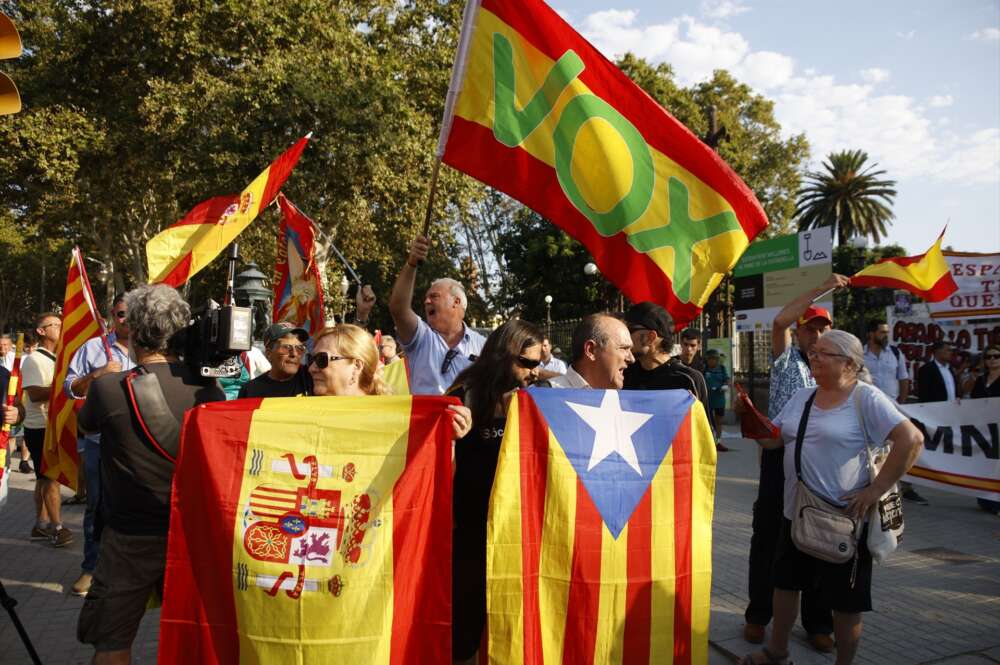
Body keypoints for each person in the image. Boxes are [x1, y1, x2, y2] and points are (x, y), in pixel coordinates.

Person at [742, 330, 923, 665]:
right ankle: (777, 651)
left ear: (849, 364)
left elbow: (911, 440)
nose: (814, 358)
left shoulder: (865, 398)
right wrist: (753, 423)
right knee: (784, 584)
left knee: (845, 602)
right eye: (813, 352)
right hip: (795, 513)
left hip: (844, 520)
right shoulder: (803, 397)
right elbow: (774, 440)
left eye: (824, 353)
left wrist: (875, 490)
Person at [76, 284, 225, 664]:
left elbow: (85, 425)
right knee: (194, 638)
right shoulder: (209, 391)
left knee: (112, 642)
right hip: (190, 534)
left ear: (137, 332)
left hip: (129, 537)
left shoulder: (109, 388)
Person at [742, 273, 849, 652]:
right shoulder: (787, 361)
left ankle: (817, 622)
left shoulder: (837, 374)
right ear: (800, 333)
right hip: (778, 459)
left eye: (824, 330)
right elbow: (779, 321)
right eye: (811, 330)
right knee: (768, 539)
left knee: (818, 539)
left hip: (818, 466)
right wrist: (823, 286)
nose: (817, 337)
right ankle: (758, 615)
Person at [447, 319, 544, 664]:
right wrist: (454, 438)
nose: (535, 372)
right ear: (504, 356)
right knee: (466, 622)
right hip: (472, 531)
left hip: (519, 533)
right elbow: (435, 465)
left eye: (539, 364)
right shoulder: (464, 395)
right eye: (528, 363)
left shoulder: (534, 399)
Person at [63, 296, 136, 596]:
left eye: (133, 314)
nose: (127, 319)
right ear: (111, 315)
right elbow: (70, 389)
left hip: (138, 444)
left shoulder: (151, 349)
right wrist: (97, 375)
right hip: (99, 443)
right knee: (97, 507)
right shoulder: (93, 349)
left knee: (137, 505)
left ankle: (131, 569)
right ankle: (91, 568)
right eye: (121, 314)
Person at [388, 234, 486, 395]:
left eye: (434, 296)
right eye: (426, 298)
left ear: (456, 302)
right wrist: (411, 263)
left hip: (468, 420)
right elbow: (398, 307)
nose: (426, 301)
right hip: (426, 420)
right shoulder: (420, 338)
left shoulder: (483, 346)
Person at [621, 302, 719, 446]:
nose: (623, 337)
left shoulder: (688, 379)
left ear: (650, 337)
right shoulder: (623, 374)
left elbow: (706, 439)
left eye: (629, 330)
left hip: (671, 466)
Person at [21, 312, 73, 547]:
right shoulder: (34, 360)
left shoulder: (55, 358)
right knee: (51, 478)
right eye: (56, 325)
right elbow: (34, 393)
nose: (61, 328)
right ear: (41, 331)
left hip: (50, 424)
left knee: (43, 479)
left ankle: (40, 526)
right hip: (39, 426)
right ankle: (57, 527)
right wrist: (65, 386)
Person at [862, 320, 926, 505]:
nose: (885, 336)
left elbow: (903, 379)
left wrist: (901, 404)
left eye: (886, 332)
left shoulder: (896, 353)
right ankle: (872, 483)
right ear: (870, 334)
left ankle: (903, 487)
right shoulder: (860, 354)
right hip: (868, 410)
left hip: (893, 411)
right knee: (874, 449)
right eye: (881, 332)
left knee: (898, 447)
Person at [549, 313, 634, 389]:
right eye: (624, 348)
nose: (632, 359)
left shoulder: (624, 401)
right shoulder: (545, 397)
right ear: (591, 350)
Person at [238, 322, 313, 398]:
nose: (294, 354)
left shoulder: (312, 378)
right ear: (269, 354)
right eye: (286, 347)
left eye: (300, 348)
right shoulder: (251, 391)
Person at [969, 344, 1000, 515]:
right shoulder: (981, 379)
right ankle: (985, 500)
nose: (992, 360)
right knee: (984, 464)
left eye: (996, 356)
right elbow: (972, 400)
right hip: (984, 430)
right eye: (988, 357)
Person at [703, 349, 729, 441]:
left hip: (719, 399)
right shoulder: (704, 369)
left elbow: (727, 379)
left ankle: (718, 440)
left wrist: (725, 385)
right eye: (710, 359)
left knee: (719, 421)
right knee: (708, 421)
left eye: (714, 359)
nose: (712, 361)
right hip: (708, 399)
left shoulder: (722, 368)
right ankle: (709, 440)